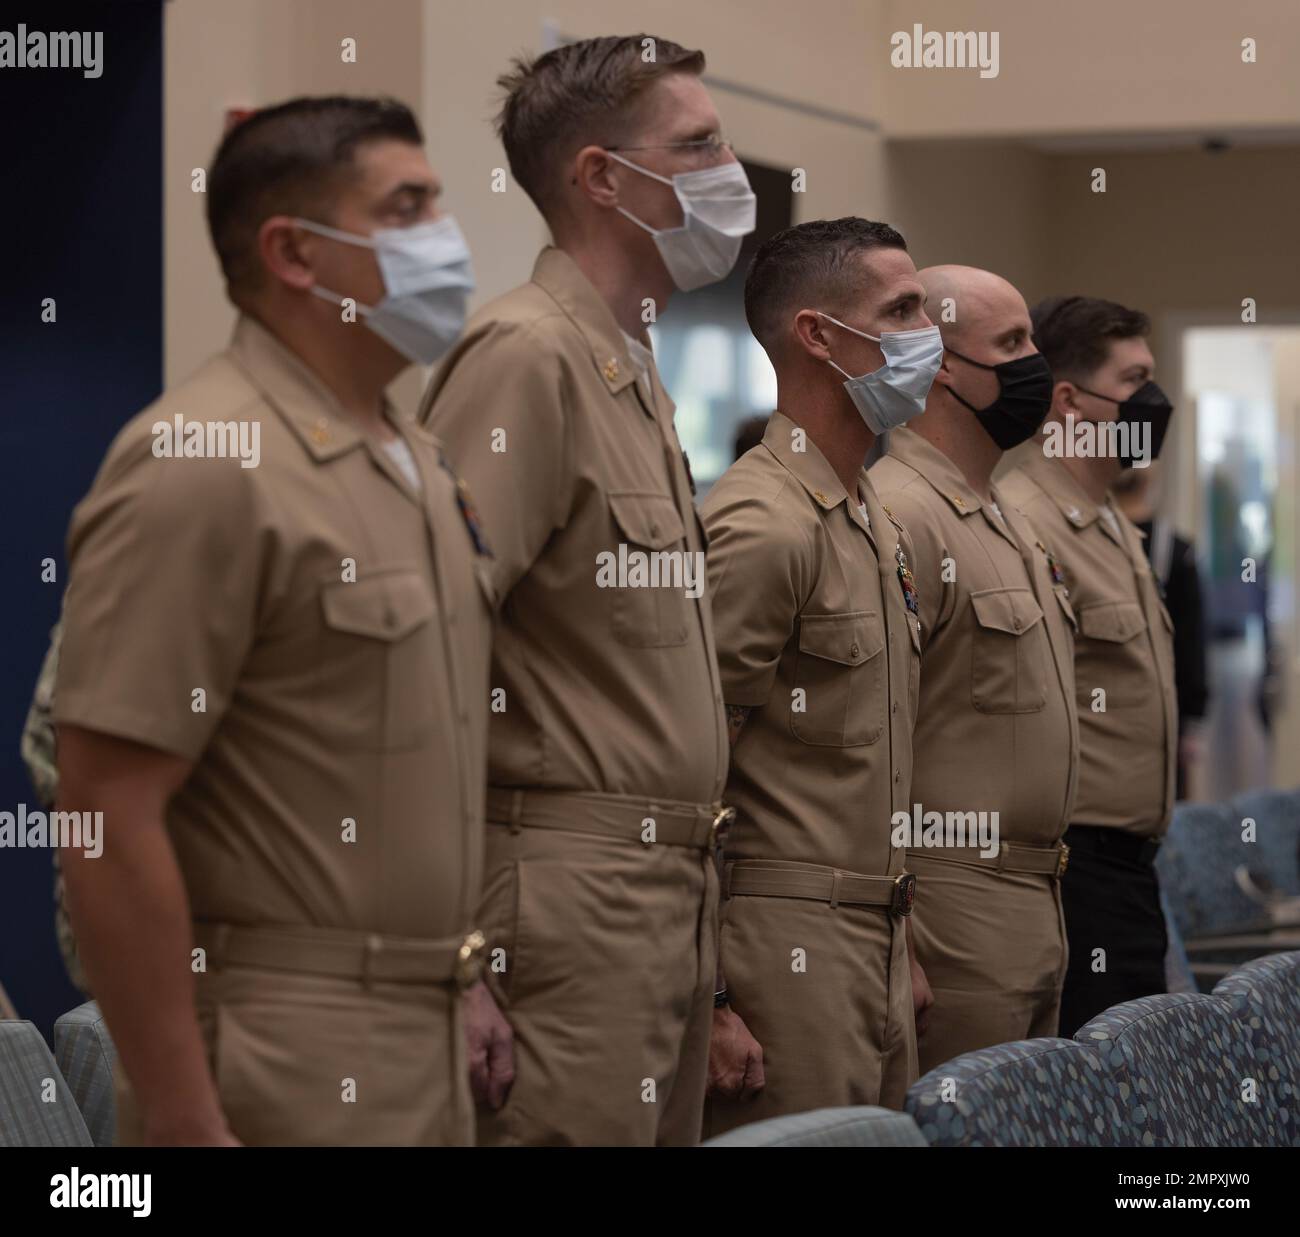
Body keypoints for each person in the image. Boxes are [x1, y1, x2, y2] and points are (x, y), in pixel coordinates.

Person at [50, 96, 492, 1145]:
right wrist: (180, 1110)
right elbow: (104, 808)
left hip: (426, 1032)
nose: (447, 237)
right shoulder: (201, 460)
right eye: (408, 207)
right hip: (276, 1048)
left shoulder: (415, 459)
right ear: (295, 253)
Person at [420, 34, 754, 1147]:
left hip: (663, 894)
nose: (728, 168)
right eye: (698, 144)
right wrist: (456, 952)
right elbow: (429, 656)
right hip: (561, 898)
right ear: (602, 176)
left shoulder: (628, 366)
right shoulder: (526, 356)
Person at [700, 218, 934, 1135]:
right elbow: (691, 767)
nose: (930, 334)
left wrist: (898, 939)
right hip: (780, 946)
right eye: (903, 310)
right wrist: (712, 991)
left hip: (871, 935)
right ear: (819, 336)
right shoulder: (764, 521)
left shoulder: (866, 511)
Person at [869, 265, 1078, 1072]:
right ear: (944, 367)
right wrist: (903, 940)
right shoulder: (901, 511)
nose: (1037, 367)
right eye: (1013, 344)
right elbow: (876, 743)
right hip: (952, 903)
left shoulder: (1002, 513)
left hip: (1037, 895)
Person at [1000, 295, 1178, 1036]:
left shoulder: (1108, 516)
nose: (1154, 401)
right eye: (1134, 381)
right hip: (1080, 865)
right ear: (1068, 399)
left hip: (1132, 866)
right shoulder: (1025, 518)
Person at [1111, 464, 1210, 799]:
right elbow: (1192, 642)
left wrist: (1191, 720)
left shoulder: (1176, 553)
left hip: (1155, 718)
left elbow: (1191, 641)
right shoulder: (1086, 538)